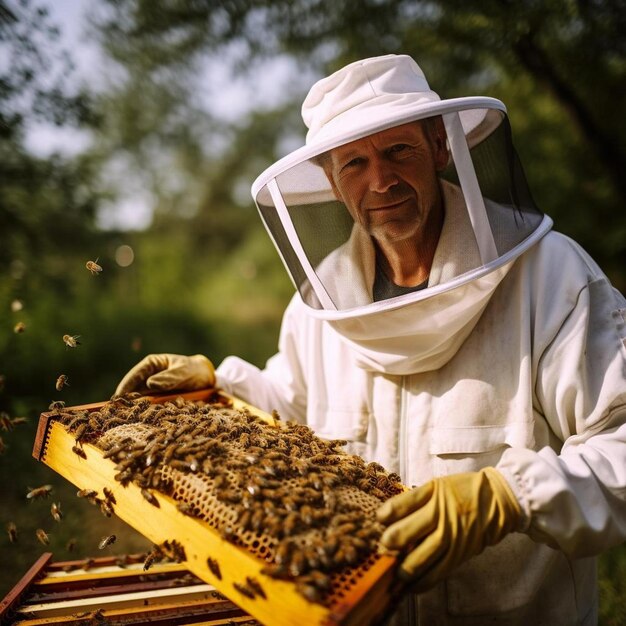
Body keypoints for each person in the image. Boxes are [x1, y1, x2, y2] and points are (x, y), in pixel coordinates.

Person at [116, 54, 626, 624]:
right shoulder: (321, 303)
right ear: (331, 182)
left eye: (398, 150)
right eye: (354, 162)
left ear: (440, 147)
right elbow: (293, 412)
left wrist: (513, 497)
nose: (380, 181)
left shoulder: (552, 279)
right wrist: (221, 388)